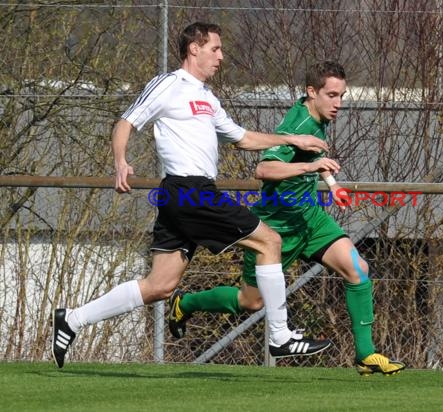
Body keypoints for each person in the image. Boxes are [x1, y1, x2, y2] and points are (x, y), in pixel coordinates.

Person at [51, 22, 333, 368]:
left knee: (159, 285)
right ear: (194, 48)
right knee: (270, 241)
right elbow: (126, 122)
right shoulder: (169, 84)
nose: (221, 57)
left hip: (183, 196)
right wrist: (121, 161)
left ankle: (72, 319)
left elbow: (241, 138)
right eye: (215, 48)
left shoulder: (207, 97)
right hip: (189, 190)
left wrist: (292, 140)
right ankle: (280, 337)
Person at [168, 60, 406, 376]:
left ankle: (366, 355)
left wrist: (332, 186)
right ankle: (186, 304)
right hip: (275, 227)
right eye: (332, 95)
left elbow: (313, 158)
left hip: (309, 219)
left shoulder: (318, 116)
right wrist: (309, 168)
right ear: (312, 92)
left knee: (357, 268)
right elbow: (264, 170)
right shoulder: (297, 125)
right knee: (250, 302)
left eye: (342, 96)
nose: (338, 103)